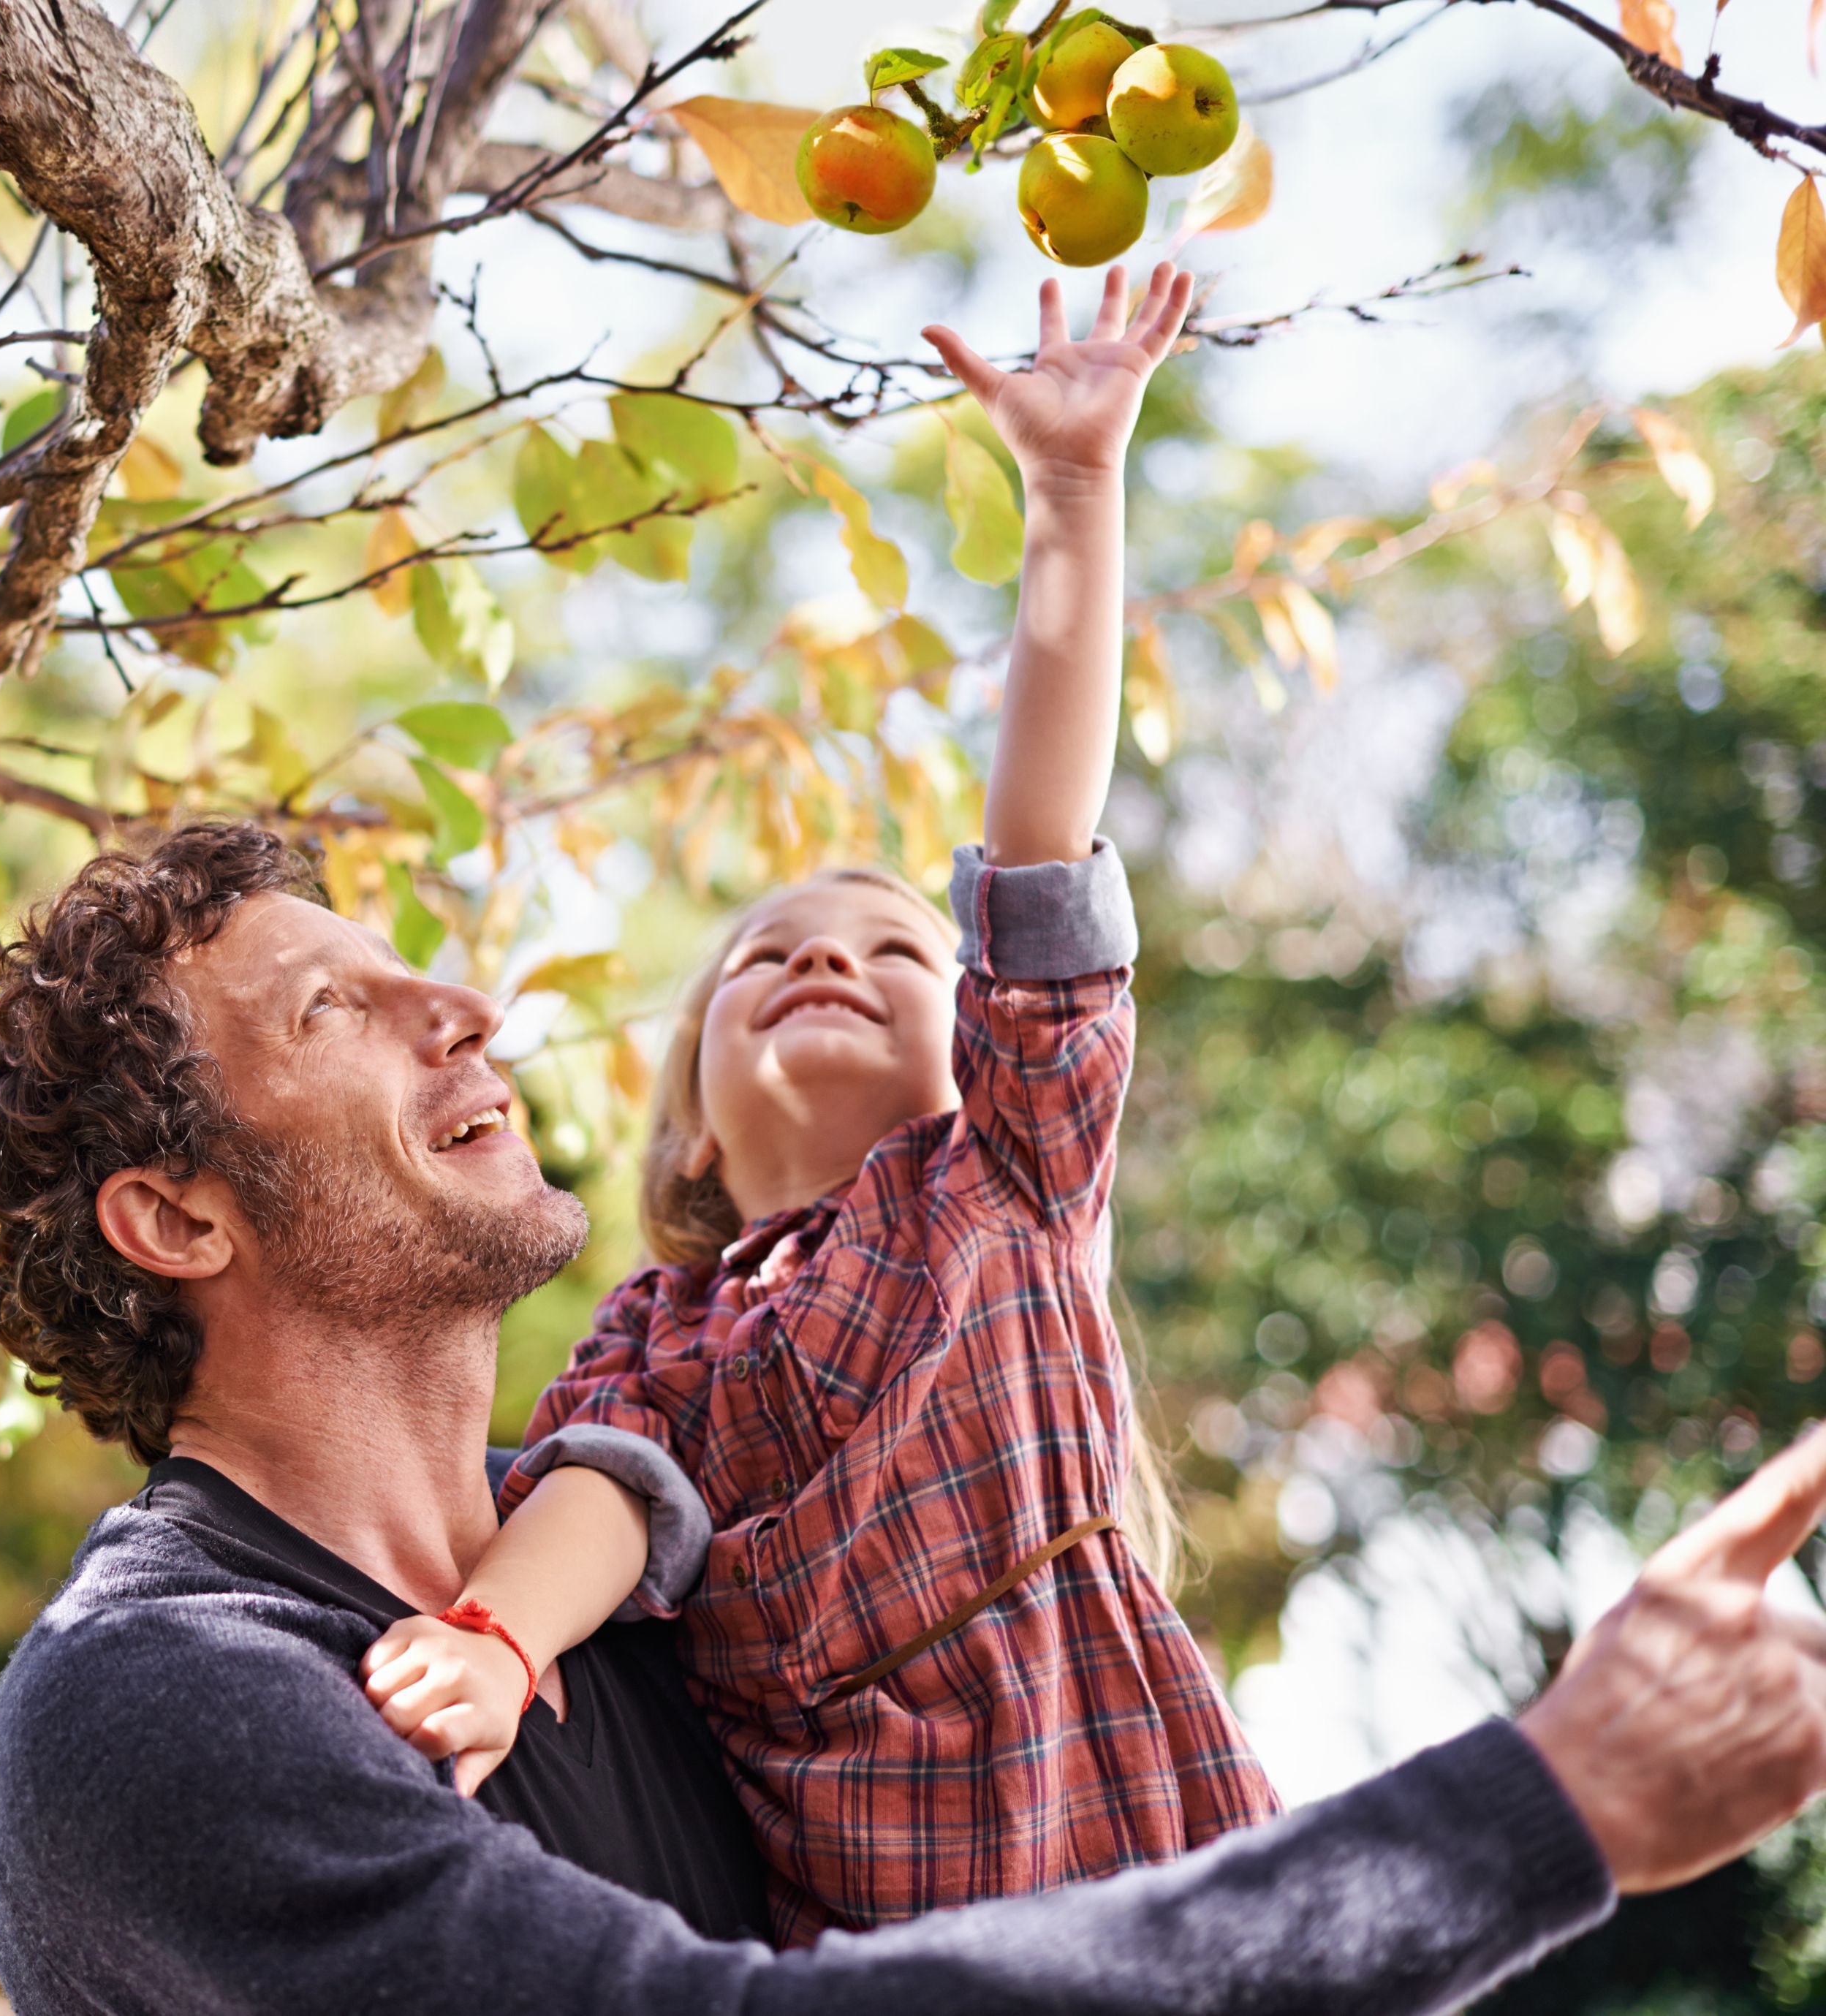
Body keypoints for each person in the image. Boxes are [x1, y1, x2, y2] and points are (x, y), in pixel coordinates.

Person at [0, 811, 1826, 2015]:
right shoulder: (156, 1702)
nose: (466, 1002)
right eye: (333, 1008)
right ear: (177, 1214)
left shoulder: (687, 1598)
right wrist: (1543, 1799)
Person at [354, 263, 1276, 1944]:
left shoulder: (1000, 1175)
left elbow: (1037, 864)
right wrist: (494, 1636)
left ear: (976, 1043)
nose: (818, 959)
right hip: (871, 1907)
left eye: (888, 949)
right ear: (690, 1123)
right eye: (763, 954)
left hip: (1122, 1825)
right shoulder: (661, 1326)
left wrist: (1069, 496)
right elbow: (604, 1490)